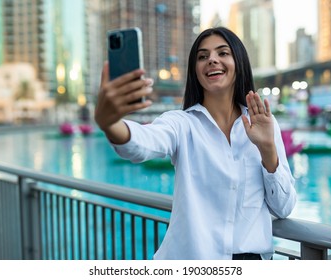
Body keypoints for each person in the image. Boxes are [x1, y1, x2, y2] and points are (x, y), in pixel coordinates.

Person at [94, 27, 297, 260]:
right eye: (203, 56)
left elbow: (284, 207)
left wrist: (267, 148)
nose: (212, 60)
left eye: (222, 53)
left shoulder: (264, 124)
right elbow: (141, 143)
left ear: (239, 62)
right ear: (195, 71)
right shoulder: (181, 124)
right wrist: (110, 123)